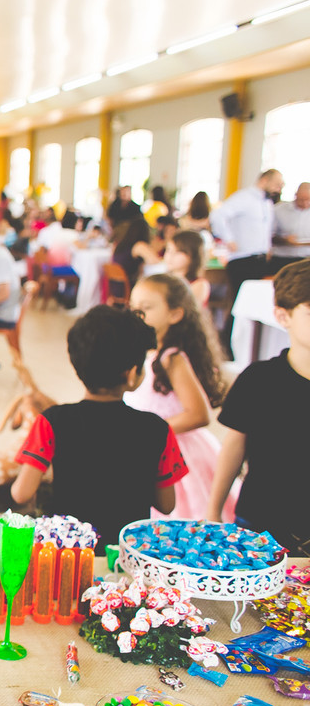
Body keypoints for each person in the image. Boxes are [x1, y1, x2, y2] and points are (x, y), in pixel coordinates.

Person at [10, 305, 184, 553]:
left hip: (70, 556)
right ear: (131, 374)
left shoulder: (51, 420)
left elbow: (21, 493)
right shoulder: (158, 429)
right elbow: (167, 505)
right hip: (127, 555)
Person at [209, 260, 310, 553]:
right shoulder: (258, 379)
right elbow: (234, 446)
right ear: (283, 315)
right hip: (260, 521)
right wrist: (213, 509)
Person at [124, 274, 235, 522]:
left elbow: (199, 414)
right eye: (133, 308)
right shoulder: (146, 353)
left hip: (176, 452)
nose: (137, 315)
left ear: (174, 314)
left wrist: (149, 430)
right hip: (148, 446)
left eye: (146, 308)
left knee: (179, 517)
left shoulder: (172, 358)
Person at [211, 169, 285, 357]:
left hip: (259, 259)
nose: (278, 189)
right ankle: (227, 346)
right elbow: (218, 215)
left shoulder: (266, 203)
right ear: (265, 180)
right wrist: (228, 238)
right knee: (239, 303)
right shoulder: (244, 197)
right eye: (277, 184)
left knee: (253, 304)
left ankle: (247, 346)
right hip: (242, 259)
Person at [165, 230, 211, 307]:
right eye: (168, 250)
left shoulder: (199, 284)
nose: (170, 256)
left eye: (178, 252)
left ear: (193, 256)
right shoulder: (165, 280)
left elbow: (187, 309)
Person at [271, 182, 310, 272]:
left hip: (306, 260)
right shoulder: (278, 209)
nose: (305, 203)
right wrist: (284, 240)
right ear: (295, 195)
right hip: (281, 259)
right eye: (302, 200)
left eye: (308, 200)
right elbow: (268, 235)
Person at [112, 217, 161, 286]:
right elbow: (155, 261)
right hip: (130, 286)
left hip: (116, 286)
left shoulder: (122, 244)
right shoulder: (139, 245)